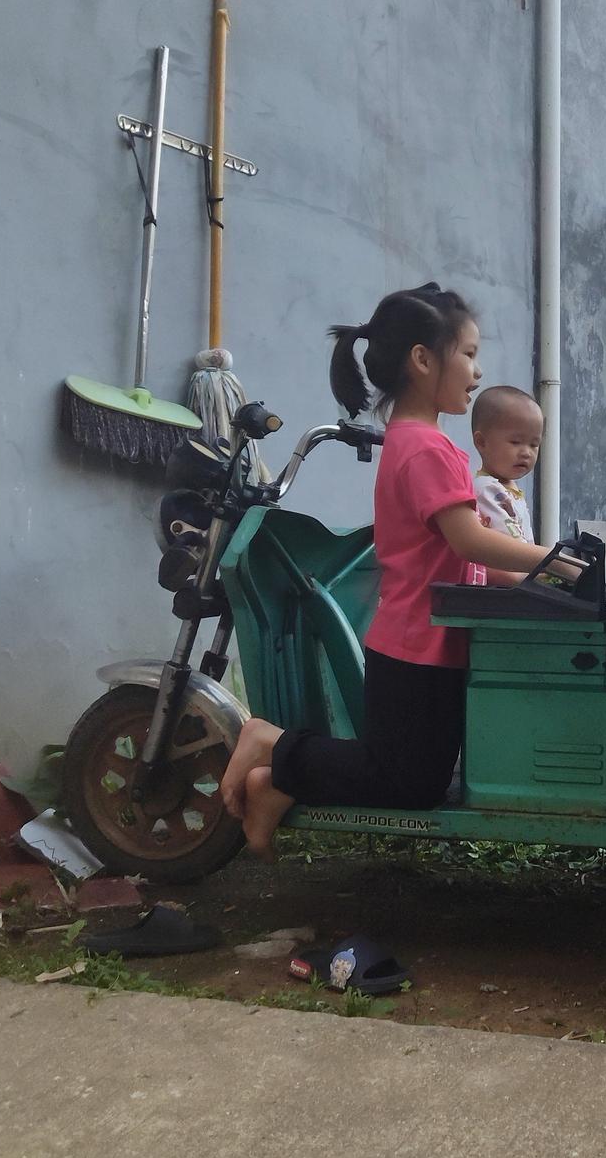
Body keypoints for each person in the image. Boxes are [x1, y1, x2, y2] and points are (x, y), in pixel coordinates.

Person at [219, 284, 572, 856]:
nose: (477, 373)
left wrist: (544, 572)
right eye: (469, 354)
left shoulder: (423, 443)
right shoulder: (425, 449)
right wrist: (556, 563)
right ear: (423, 359)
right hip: (415, 645)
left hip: (429, 638)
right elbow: (471, 540)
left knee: (414, 778)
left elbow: (464, 554)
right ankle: (272, 748)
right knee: (404, 783)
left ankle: (277, 779)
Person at [471, 384, 542, 585]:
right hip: (502, 586)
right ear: (481, 442)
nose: (526, 452)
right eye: (516, 442)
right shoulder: (487, 489)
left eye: (533, 444)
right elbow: (510, 544)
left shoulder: (509, 490)